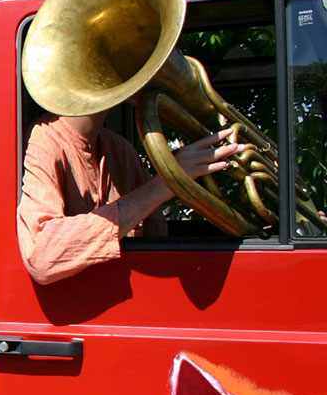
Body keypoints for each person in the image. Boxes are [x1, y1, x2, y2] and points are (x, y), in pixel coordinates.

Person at [17, 111, 245, 285]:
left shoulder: (120, 148)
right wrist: (164, 183)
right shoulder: (42, 138)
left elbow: (155, 232)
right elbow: (42, 257)